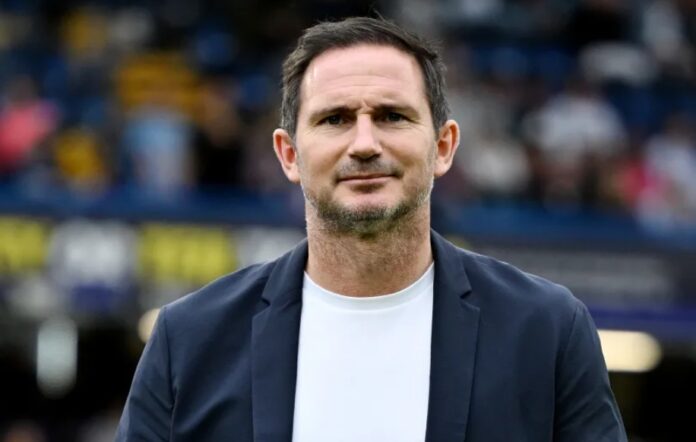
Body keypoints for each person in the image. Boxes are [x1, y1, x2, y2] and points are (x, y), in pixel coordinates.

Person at [116, 17, 627, 441]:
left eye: (392, 116)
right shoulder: (190, 339)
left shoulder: (546, 330)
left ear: (444, 146)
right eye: (335, 119)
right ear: (289, 154)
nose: (364, 143)